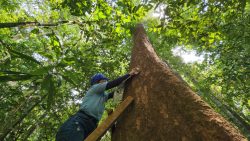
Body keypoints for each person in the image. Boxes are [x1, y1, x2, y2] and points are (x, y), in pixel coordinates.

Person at [56, 68, 140, 141]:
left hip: (91, 125)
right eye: (103, 80)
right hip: (80, 121)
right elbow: (112, 84)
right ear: (97, 82)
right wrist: (129, 74)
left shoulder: (102, 96)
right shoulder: (94, 88)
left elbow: (115, 93)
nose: (105, 81)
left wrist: (127, 84)